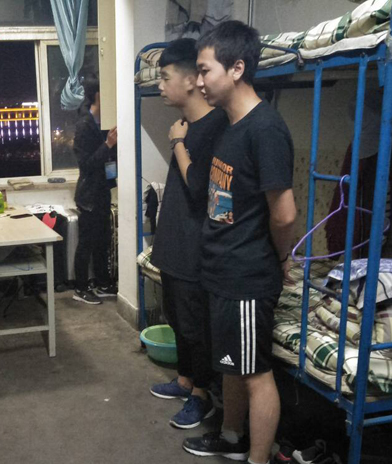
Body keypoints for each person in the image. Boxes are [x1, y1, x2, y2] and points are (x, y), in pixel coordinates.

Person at [184, 21, 296, 464]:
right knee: (232, 363)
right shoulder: (230, 125)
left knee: (255, 373)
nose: (198, 81)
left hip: (247, 275)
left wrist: (281, 256)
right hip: (222, 270)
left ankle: (258, 458)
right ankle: (232, 437)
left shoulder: (264, 129)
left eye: (204, 70)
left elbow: (284, 213)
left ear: (236, 69)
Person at [148, 38, 227, 430]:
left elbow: (199, 189)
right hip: (173, 246)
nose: (160, 85)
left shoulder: (215, 127)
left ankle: (202, 396)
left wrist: (178, 143)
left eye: (165, 77)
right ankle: (184, 380)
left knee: (196, 328)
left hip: (195, 248)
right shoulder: (187, 125)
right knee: (178, 319)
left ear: (193, 78)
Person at [72, 73, 118, 305]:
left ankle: (103, 283)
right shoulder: (84, 125)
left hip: (102, 193)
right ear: (97, 95)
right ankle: (80, 288)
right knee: (86, 244)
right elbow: (87, 165)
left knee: (103, 242)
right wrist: (108, 144)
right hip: (88, 195)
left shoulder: (104, 121)